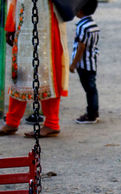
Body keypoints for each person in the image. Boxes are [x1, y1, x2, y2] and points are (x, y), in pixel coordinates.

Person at [0, 0, 69, 137]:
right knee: (20, 70)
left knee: (47, 71)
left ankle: (52, 122)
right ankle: (12, 120)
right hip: (24, 19)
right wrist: (10, 24)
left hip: (46, 20)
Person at [69, 0, 100, 124]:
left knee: (89, 89)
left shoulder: (82, 26)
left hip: (84, 64)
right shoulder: (93, 25)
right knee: (92, 88)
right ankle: (93, 112)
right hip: (92, 62)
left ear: (79, 10)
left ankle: (91, 114)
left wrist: (74, 64)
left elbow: (81, 46)